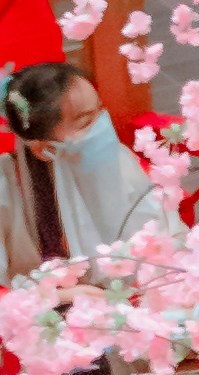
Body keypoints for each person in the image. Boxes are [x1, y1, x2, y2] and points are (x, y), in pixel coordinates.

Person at [0, 62, 170, 283]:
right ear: (44, 149)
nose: (103, 127)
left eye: (100, 112)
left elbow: (169, 236)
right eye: (87, 122)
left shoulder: (118, 159)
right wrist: (60, 296)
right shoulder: (5, 183)